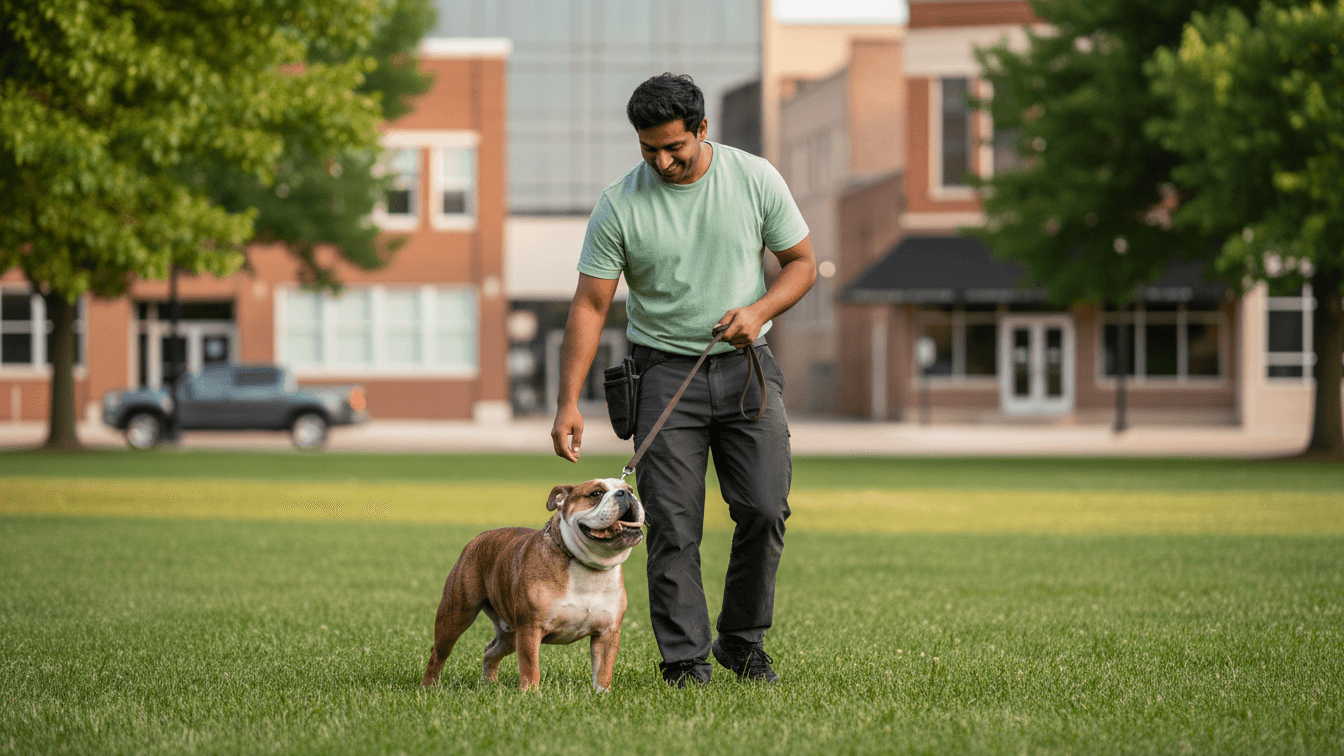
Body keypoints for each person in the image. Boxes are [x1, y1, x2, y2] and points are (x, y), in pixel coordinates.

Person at [549, 73, 815, 687]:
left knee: (765, 509)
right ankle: (685, 660)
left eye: (676, 148)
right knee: (669, 521)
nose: (663, 162)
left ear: (702, 129)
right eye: (649, 150)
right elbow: (590, 305)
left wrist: (759, 311)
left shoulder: (754, 179)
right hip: (664, 375)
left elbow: (801, 263)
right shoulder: (619, 204)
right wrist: (567, 400)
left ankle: (742, 642)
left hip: (749, 370)